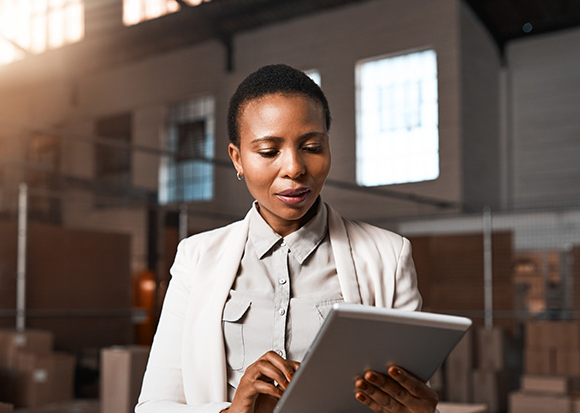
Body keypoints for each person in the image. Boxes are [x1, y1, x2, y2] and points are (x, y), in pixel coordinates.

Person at [136, 64, 438, 413]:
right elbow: (154, 406)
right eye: (268, 151)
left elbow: (403, 396)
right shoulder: (196, 257)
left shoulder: (388, 255)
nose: (294, 168)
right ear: (237, 159)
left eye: (311, 146)